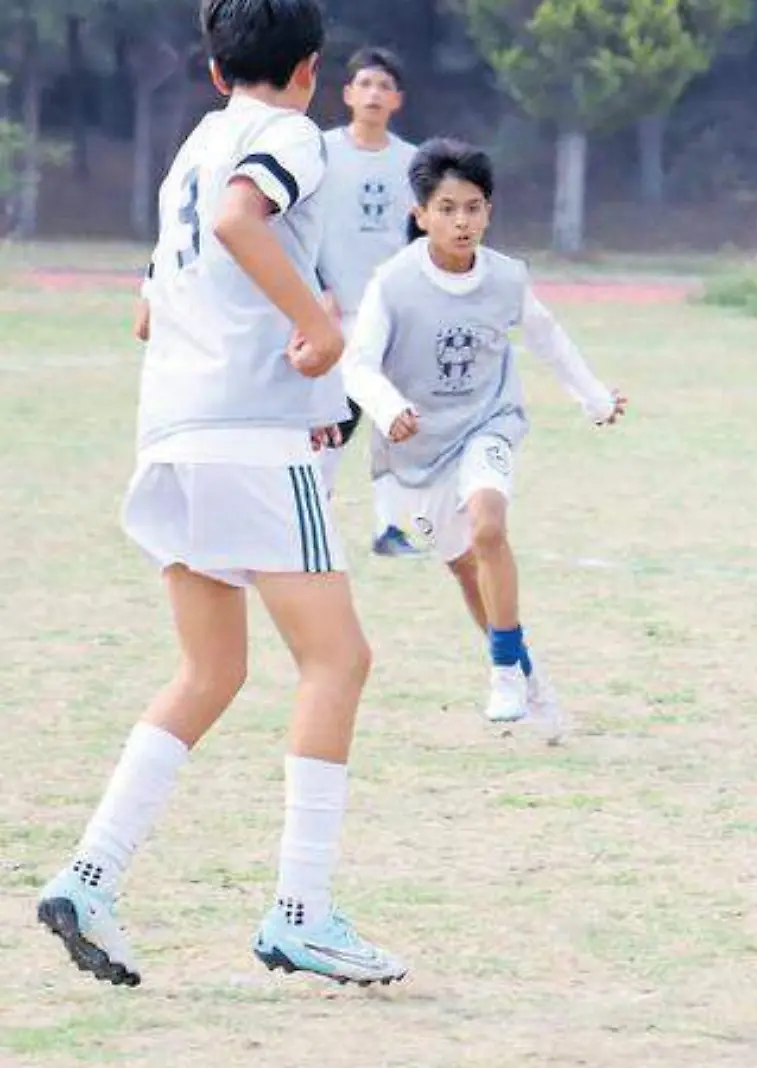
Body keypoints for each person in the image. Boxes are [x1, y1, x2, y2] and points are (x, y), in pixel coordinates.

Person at [37, 0, 407, 987]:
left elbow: (146, 311)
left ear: (211, 71)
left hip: (170, 435)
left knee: (211, 673)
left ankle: (88, 876)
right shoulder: (287, 135)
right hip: (251, 439)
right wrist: (314, 329)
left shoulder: (192, 147)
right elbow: (243, 217)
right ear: (312, 71)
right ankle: (302, 912)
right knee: (338, 661)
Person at [341, 138, 625, 739]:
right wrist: (389, 409)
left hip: (487, 424)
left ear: (489, 211)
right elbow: (358, 365)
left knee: (489, 525)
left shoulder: (506, 277)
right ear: (420, 215)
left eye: (472, 207)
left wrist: (595, 398)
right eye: (446, 208)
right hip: (414, 450)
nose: (461, 221)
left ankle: (501, 670)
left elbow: (548, 338)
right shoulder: (391, 284)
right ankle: (529, 676)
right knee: (467, 571)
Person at [313, 45, 425, 555]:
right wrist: (316, 289)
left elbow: (419, 237)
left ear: (398, 99)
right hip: (333, 310)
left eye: (384, 86)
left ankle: (388, 527)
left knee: (391, 416)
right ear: (347, 94)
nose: (374, 94)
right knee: (332, 415)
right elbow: (298, 225)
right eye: (365, 85)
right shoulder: (321, 151)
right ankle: (313, 511)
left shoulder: (412, 162)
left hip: (388, 311)